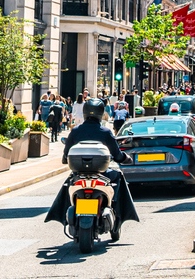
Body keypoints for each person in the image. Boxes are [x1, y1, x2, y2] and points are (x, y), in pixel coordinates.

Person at [44, 98, 140, 238]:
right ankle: (117, 216)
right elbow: (117, 155)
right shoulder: (106, 132)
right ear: (101, 113)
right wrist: (126, 158)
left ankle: (63, 215)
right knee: (118, 176)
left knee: (67, 185)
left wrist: (66, 159)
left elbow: (66, 154)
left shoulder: (76, 131)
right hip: (102, 174)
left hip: (79, 173)